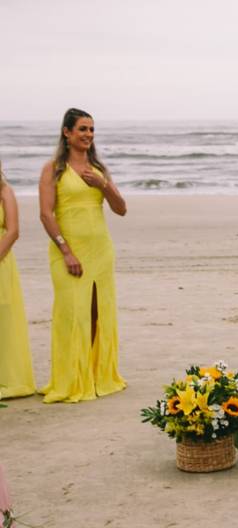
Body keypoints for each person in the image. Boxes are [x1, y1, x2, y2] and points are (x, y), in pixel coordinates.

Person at [38, 108, 127, 404]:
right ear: (67, 132)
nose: (88, 134)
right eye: (82, 129)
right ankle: (70, 379)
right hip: (68, 252)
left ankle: (95, 375)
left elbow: (121, 208)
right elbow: (46, 214)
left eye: (91, 129)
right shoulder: (53, 169)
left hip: (101, 250)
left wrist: (103, 185)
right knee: (70, 314)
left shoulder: (98, 168)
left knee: (96, 312)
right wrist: (66, 251)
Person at [0, 160, 37, 399]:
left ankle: (9, 379)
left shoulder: (5, 192)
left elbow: (13, 231)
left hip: (1, 259)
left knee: (4, 317)